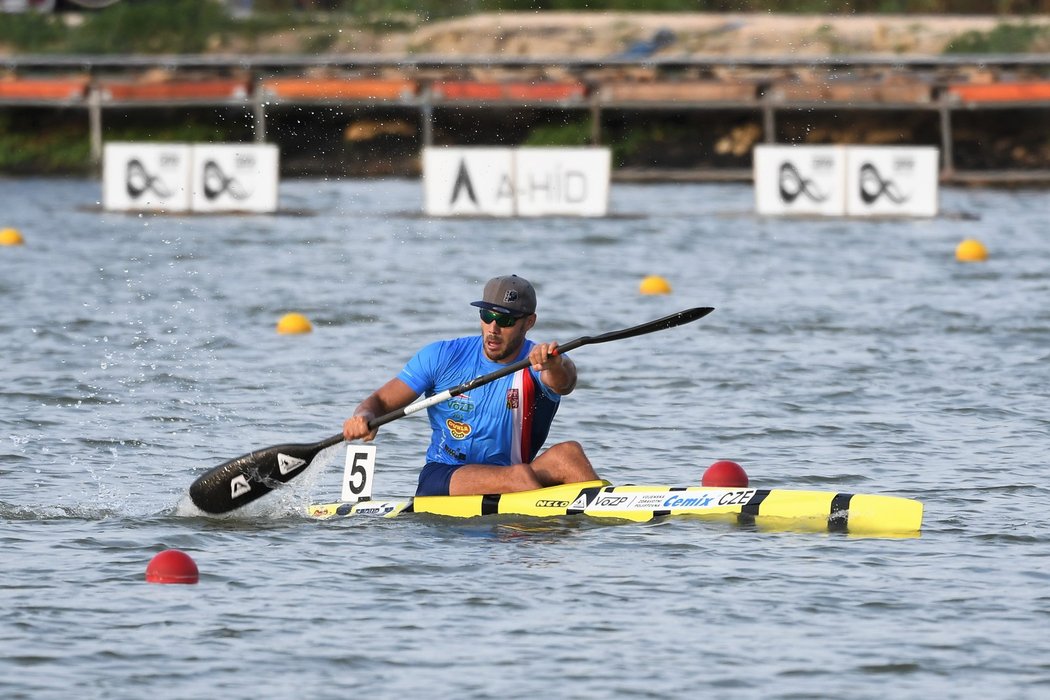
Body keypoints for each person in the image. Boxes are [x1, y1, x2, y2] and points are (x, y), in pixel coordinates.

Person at [342, 275, 600, 497]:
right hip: (444, 475)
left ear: (529, 322)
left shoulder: (539, 362)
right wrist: (364, 417)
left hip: (514, 474)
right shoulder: (442, 356)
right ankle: (541, 533)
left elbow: (565, 382)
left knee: (570, 455)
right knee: (517, 476)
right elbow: (382, 402)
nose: (493, 328)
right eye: (486, 316)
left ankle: (602, 523)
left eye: (506, 320)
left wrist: (555, 364)